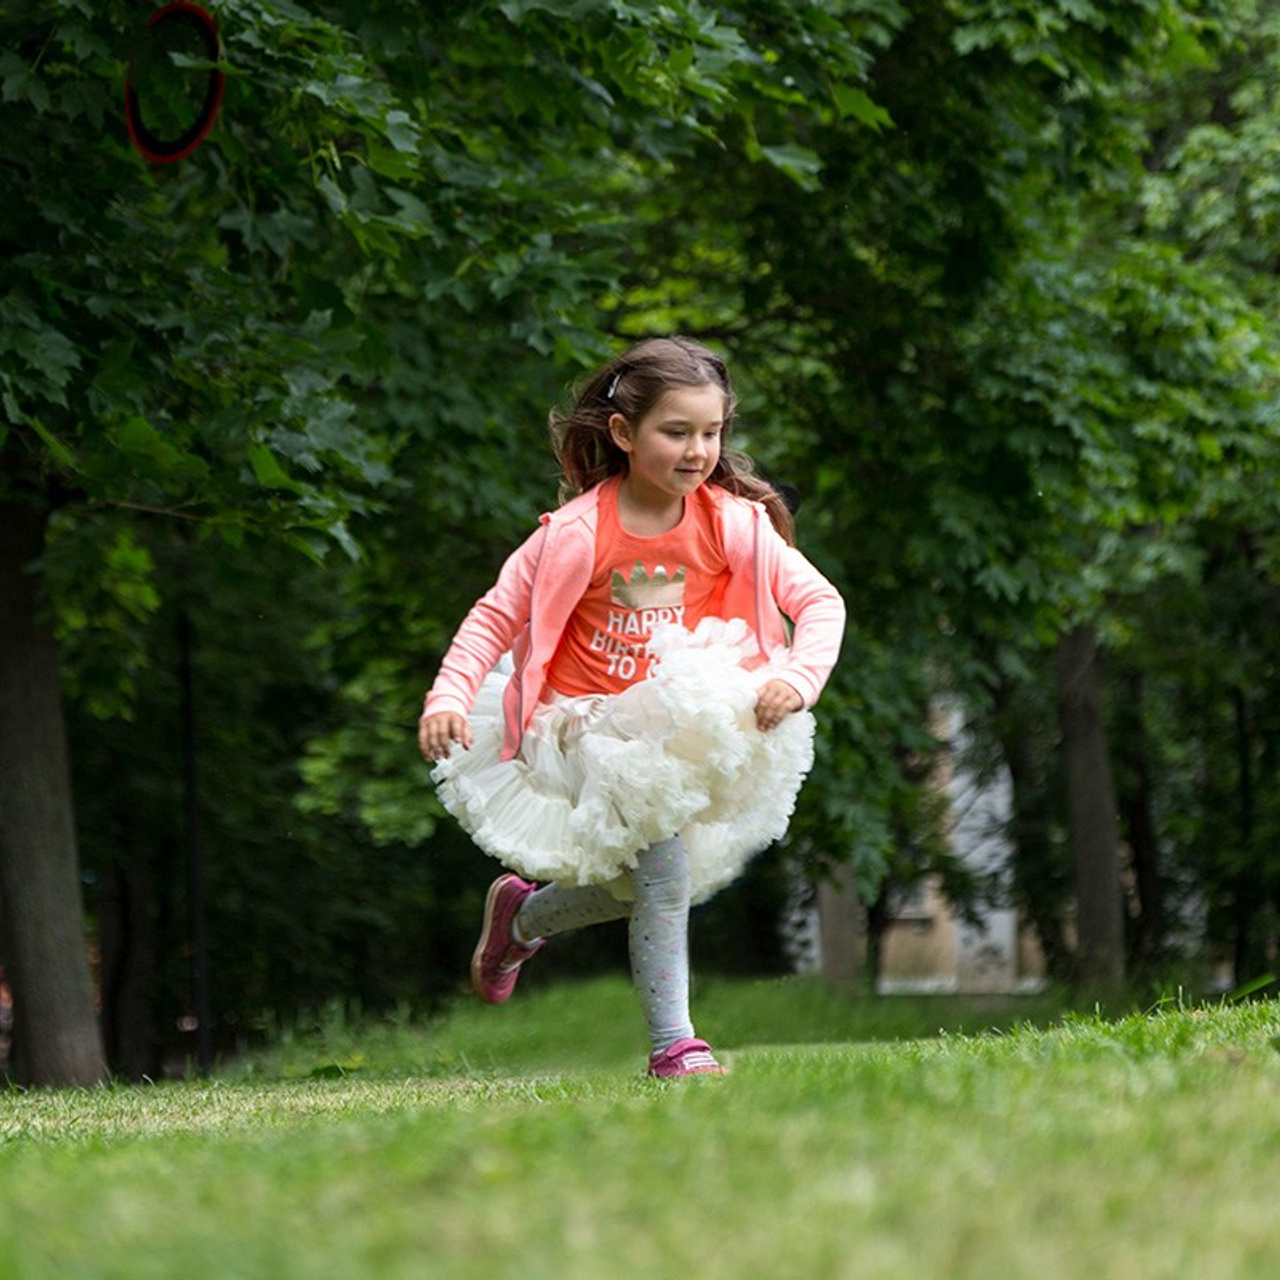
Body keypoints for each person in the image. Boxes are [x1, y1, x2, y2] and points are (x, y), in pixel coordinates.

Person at [418, 336, 845, 1078]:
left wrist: (800, 677)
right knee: (664, 873)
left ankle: (520, 920)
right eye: (676, 432)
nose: (698, 451)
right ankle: (674, 1045)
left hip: (682, 724)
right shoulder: (577, 534)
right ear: (624, 434)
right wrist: (450, 694)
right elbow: (495, 616)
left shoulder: (732, 524)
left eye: (711, 433)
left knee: (644, 882)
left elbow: (818, 602)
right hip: (585, 727)